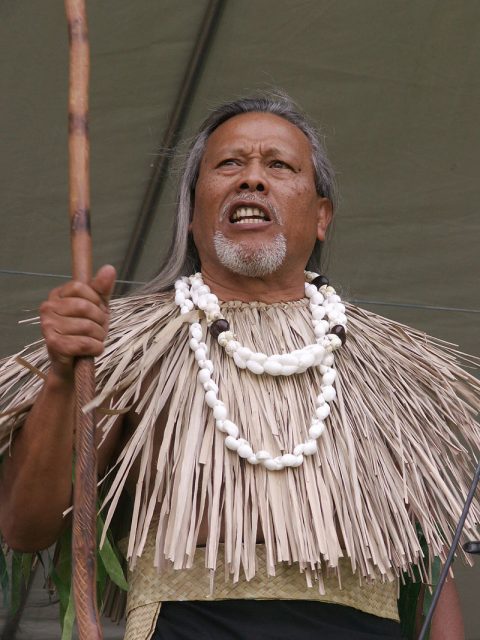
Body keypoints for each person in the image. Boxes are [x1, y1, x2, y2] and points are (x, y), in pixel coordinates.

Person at [0, 93, 478, 640]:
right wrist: (63, 374)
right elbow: (25, 525)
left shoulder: (394, 369)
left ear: (321, 215)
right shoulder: (125, 350)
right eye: (229, 164)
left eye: (278, 165)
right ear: (193, 207)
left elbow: (429, 572)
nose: (252, 179)